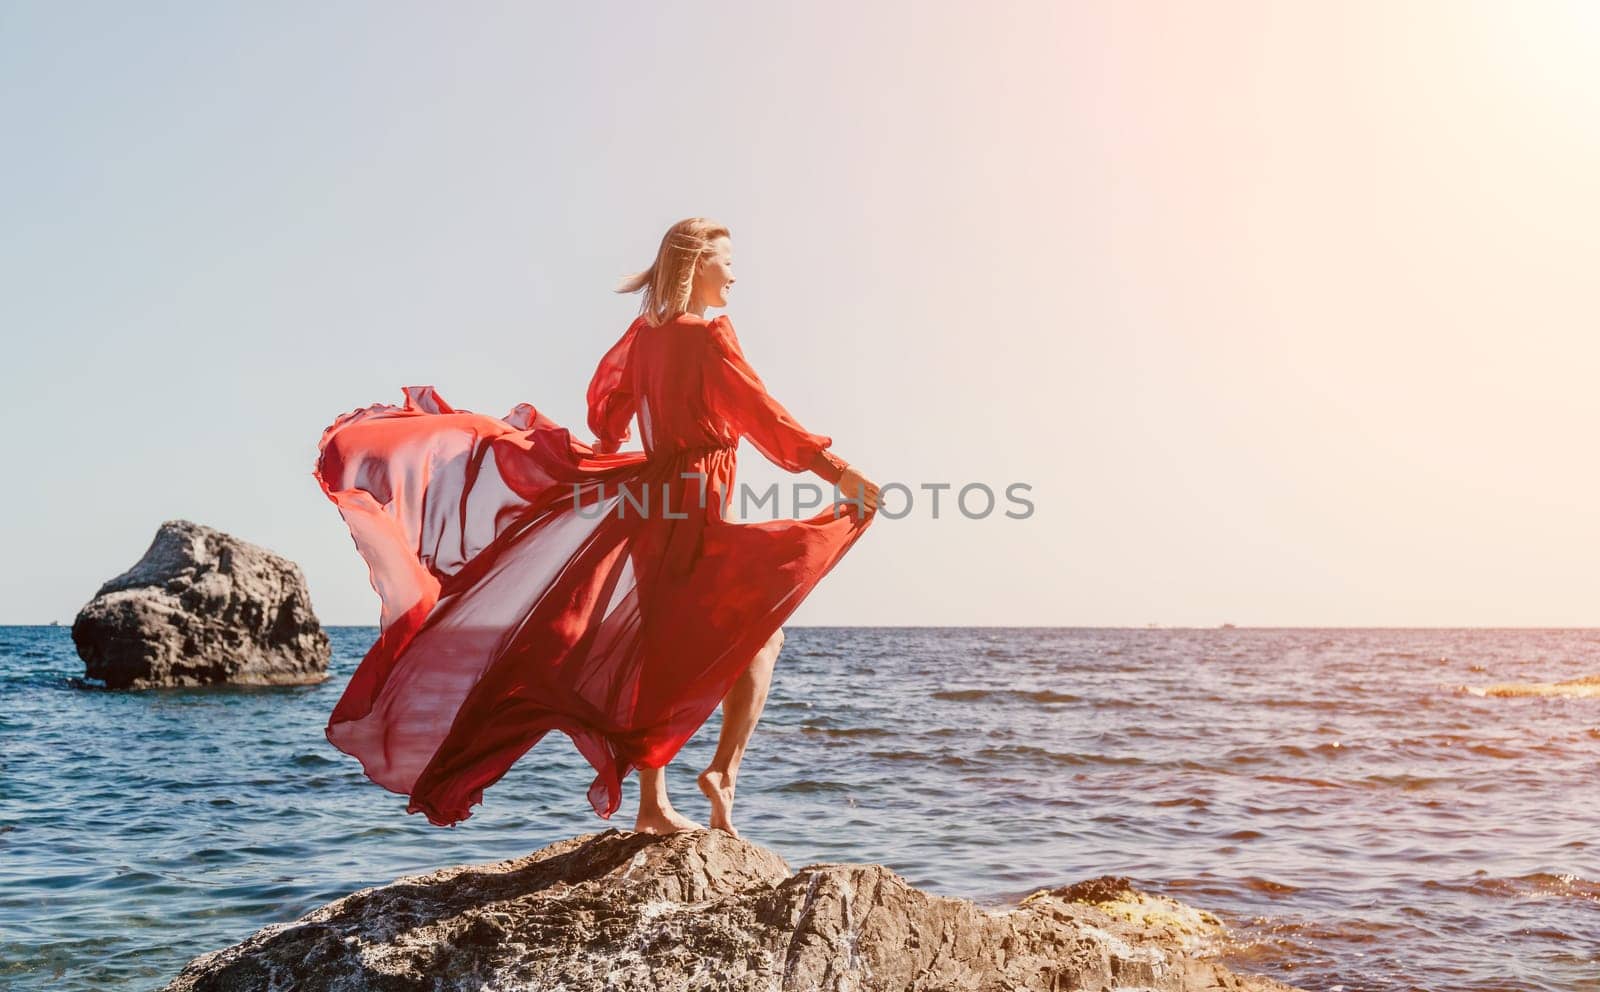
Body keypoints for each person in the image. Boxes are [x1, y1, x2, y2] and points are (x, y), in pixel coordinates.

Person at [313, 216, 880, 837]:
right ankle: (721, 773)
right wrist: (837, 470)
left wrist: (605, 454)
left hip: (648, 497)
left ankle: (653, 804)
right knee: (758, 630)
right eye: (727, 260)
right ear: (695, 264)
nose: (735, 274)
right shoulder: (710, 337)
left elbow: (609, 410)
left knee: (655, 644)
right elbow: (762, 416)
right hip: (688, 501)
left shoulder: (643, 337)